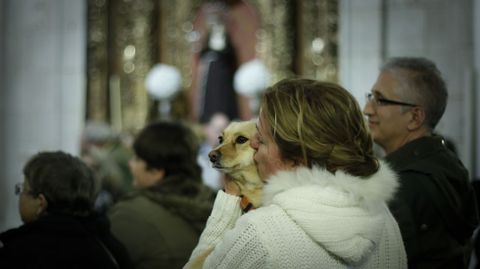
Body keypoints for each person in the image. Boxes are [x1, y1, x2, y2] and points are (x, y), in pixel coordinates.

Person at [185, 78, 407, 268]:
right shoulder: (385, 219)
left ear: (295, 158)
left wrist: (227, 203)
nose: (252, 147)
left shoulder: (259, 233)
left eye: (260, 140)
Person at [363, 57, 478, 268]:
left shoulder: (402, 185)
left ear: (415, 117)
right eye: (371, 97)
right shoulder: (446, 162)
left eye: (380, 100)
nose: (367, 110)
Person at [108, 121, 215, 269]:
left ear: (156, 171)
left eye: (137, 158)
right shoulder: (216, 203)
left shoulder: (131, 214)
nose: (130, 164)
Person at [0, 151, 132, 269]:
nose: (20, 195)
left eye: (23, 189)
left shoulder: (20, 254)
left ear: (41, 203)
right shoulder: (110, 246)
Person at [189, 0, 259, 123]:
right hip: (210, 78)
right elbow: (202, 55)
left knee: (223, 98)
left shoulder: (226, 40)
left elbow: (229, 55)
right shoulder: (207, 40)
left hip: (223, 78)